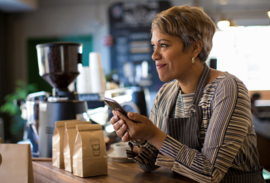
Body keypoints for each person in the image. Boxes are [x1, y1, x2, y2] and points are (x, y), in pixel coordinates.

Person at [110, 5, 265, 183]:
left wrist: (153, 134)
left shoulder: (226, 88)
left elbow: (211, 173)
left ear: (194, 48)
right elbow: (149, 164)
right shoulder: (166, 94)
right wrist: (140, 138)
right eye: (154, 45)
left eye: (164, 45)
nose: (154, 55)